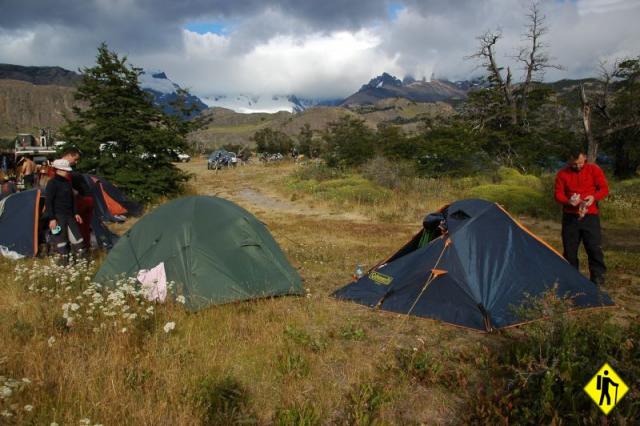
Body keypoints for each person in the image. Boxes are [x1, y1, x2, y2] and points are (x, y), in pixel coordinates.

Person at [554, 150, 609, 285]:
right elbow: (558, 194)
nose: (577, 166)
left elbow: (604, 189)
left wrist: (593, 197)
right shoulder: (562, 174)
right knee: (570, 250)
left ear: (584, 157)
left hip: (590, 216)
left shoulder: (594, 169)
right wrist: (568, 201)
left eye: (579, 163)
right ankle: (571, 279)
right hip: (570, 217)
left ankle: (598, 278)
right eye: (574, 164)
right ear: (569, 160)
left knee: (594, 247)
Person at [44, 159, 84, 260]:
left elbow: (72, 199)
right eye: (66, 170)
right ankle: (63, 264)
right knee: (61, 242)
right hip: (58, 217)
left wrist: (76, 213)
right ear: (58, 170)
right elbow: (48, 202)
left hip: (70, 216)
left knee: (78, 240)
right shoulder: (52, 183)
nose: (68, 172)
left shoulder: (68, 182)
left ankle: (80, 263)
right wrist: (52, 218)